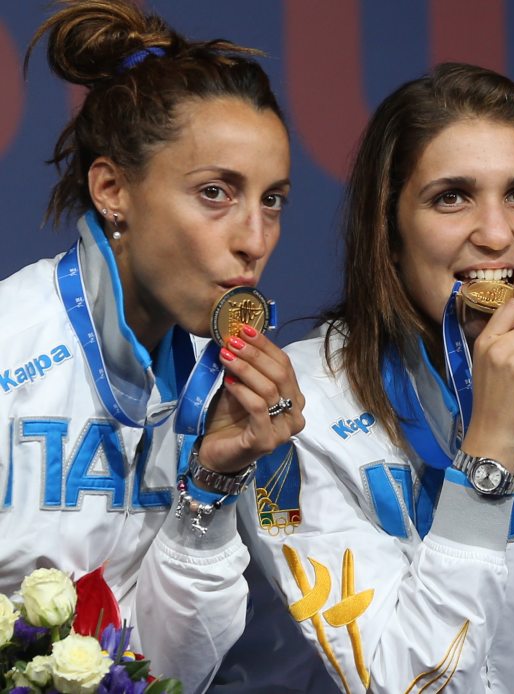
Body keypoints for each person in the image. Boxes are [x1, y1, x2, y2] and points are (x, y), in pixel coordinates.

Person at [241, 62, 514, 693]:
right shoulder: (296, 411)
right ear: (388, 232)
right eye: (452, 197)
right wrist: (490, 457)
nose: (497, 234)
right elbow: (405, 682)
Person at [0, 1, 303, 691]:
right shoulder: (10, 350)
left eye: (273, 200)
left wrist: (215, 482)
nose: (253, 240)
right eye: (215, 193)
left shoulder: (221, 392)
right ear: (112, 190)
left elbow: (173, 672)